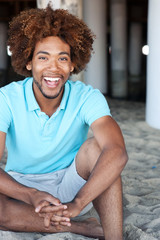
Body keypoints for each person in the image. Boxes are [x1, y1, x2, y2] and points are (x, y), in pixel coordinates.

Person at [0, 5, 128, 240]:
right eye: (43, 57)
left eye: (62, 58)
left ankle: (114, 237)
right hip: (22, 185)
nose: (53, 67)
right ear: (28, 63)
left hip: (70, 181)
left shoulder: (87, 96)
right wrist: (30, 195)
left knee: (100, 150)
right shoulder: (6, 99)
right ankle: (80, 227)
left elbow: (118, 152)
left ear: (72, 65)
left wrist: (78, 202)